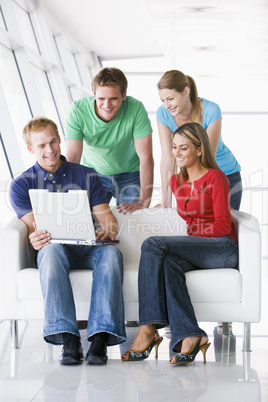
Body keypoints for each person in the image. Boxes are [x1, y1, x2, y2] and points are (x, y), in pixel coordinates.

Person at [9, 117, 126, 365]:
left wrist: (108, 228)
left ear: (59, 139)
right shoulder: (21, 185)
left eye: (53, 142)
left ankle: (99, 338)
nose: (50, 150)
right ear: (30, 148)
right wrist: (35, 238)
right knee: (51, 252)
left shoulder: (87, 175)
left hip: (87, 246)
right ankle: (68, 338)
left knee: (112, 254)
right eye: (41, 146)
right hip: (54, 249)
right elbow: (34, 229)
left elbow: (108, 218)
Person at [122, 122, 238, 364]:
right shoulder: (176, 182)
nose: (176, 153)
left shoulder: (216, 178)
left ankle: (148, 327)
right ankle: (190, 335)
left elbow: (223, 226)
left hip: (222, 248)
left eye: (183, 148)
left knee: (153, 244)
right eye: (174, 147)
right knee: (168, 264)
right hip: (198, 248)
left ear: (199, 150)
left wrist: (187, 240)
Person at [65, 67, 154, 214]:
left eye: (113, 98)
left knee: (132, 223)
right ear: (94, 95)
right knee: (90, 222)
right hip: (94, 173)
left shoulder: (136, 108)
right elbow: (73, 157)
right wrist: (66, 197)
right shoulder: (78, 110)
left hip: (130, 174)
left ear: (124, 95)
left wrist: (143, 202)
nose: (107, 106)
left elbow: (146, 158)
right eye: (101, 99)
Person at [156, 70, 242, 210]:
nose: (166, 106)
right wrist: (166, 202)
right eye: (162, 100)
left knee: (223, 229)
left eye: (170, 99)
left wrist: (193, 195)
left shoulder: (211, 110)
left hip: (225, 176)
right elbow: (168, 159)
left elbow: (207, 159)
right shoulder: (163, 113)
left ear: (186, 91)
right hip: (192, 180)